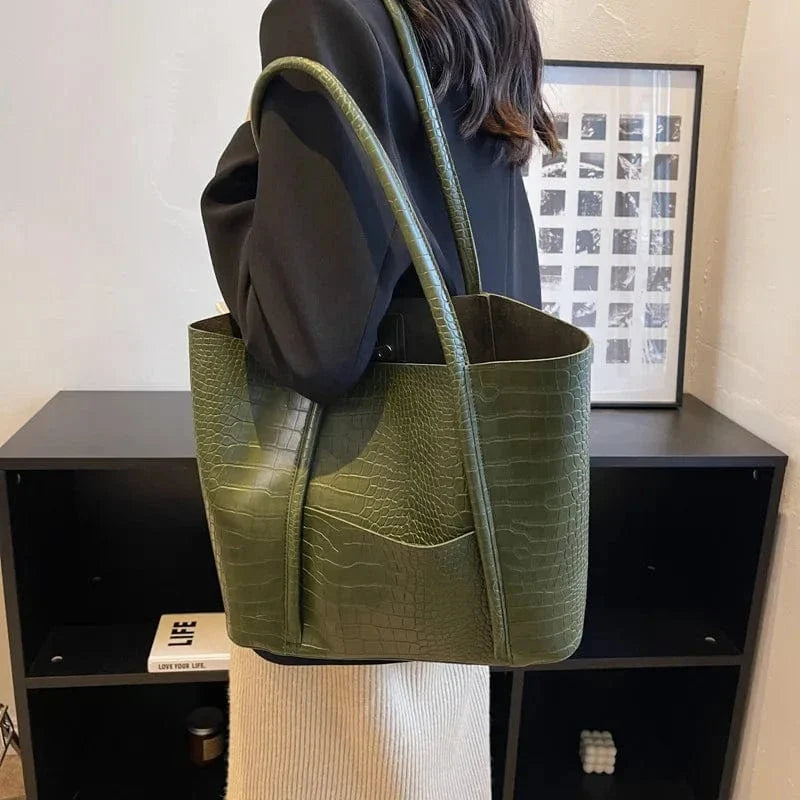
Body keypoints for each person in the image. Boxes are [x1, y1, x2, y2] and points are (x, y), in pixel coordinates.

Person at [199, 0, 558, 796]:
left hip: (348, 580)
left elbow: (308, 345)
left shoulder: (323, 13)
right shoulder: (482, 17)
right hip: (454, 565)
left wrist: (239, 176)